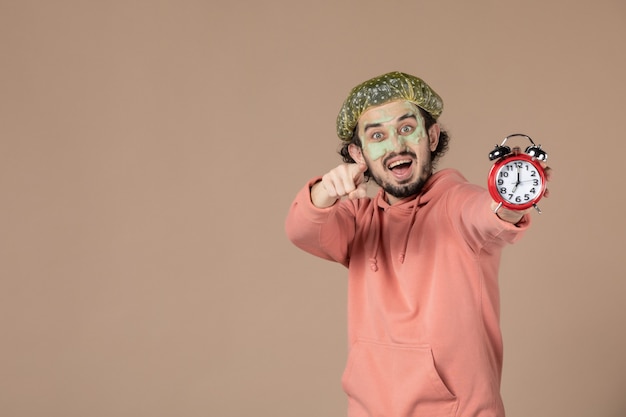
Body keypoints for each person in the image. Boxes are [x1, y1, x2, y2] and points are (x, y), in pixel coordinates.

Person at [284, 71, 551, 417]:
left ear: (432, 136)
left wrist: (514, 195)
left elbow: (489, 216)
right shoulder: (357, 219)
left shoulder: (457, 203)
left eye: (407, 128)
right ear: (358, 153)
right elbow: (301, 228)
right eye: (377, 135)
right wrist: (326, 190)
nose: (395, 145)